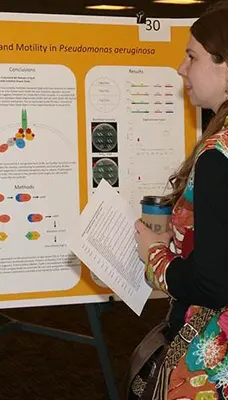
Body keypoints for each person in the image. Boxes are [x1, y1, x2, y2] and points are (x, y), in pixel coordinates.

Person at [129, 6, 228, 399]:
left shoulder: (218, 156)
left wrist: (155, 255)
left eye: (193, 56)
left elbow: (213, 284)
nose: (181, 69)